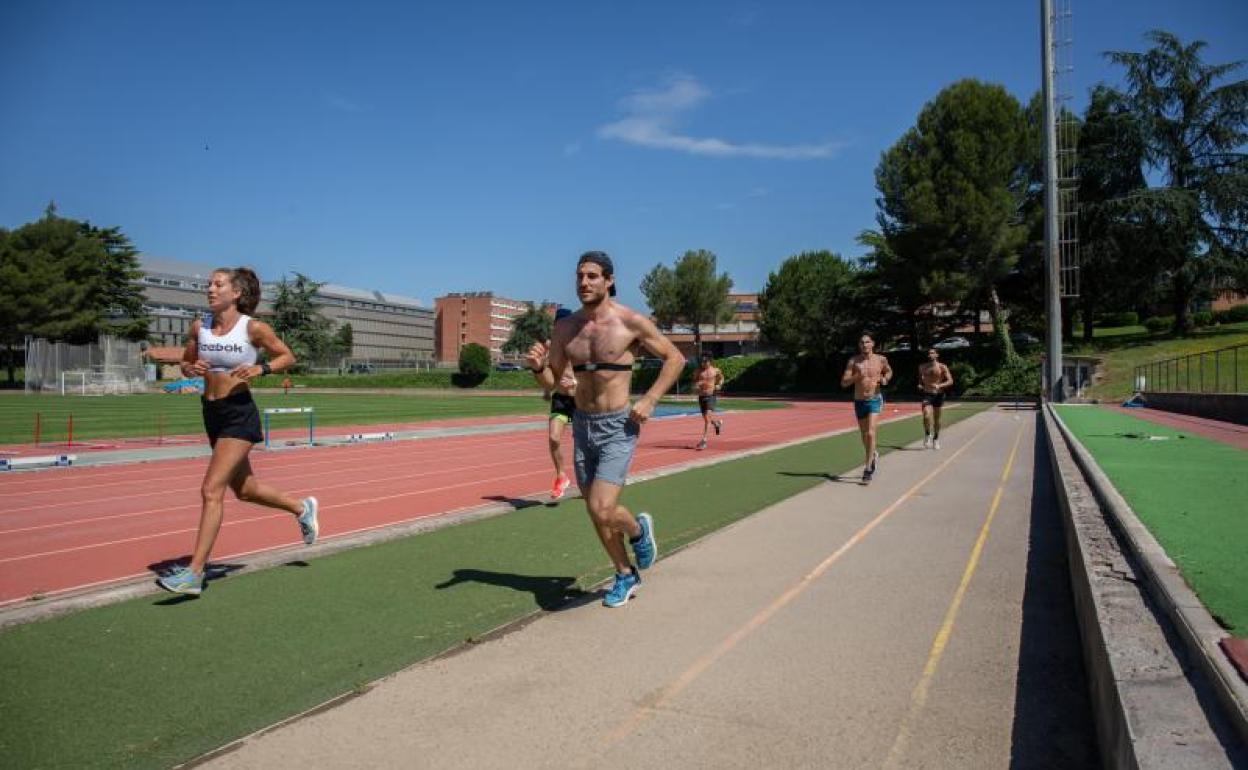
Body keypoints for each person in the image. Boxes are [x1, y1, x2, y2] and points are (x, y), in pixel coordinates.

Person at [526, 251, 684, 608]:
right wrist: (538, 368)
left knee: (601, 507)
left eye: (592, 276)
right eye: (579, 276)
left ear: (609, 280)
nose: (584, 282)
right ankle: (625, 573)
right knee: (594, 511)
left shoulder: (629, 322)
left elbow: (675, 358)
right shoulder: (565, 328)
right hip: (582, 425)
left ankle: (639, 531)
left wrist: (651, 399)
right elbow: (552, 382)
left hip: (618, 426)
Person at [157, 267, 319, 596]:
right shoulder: (198, 327)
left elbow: (288, 355)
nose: (210, 289)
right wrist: (190, 367)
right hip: (211, 412)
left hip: (239, 414)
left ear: (236, 293)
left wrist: (262, 367)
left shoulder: (253, 328)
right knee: (245, 490)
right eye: (209, 284)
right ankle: (302, 508)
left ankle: (195, 573)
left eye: (218, 284)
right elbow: (188, 362)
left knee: (211, 490)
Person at [840, 332, 892, 484]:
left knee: (870, 433)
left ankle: (868, 468)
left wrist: (885, 379)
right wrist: (856, 376)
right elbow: (844, 382)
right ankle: (873, 454)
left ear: (873, 344)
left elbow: (889, 371)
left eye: (867, 342)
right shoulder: (853, 361)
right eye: (862, 343)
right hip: (859, 401)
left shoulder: (881, 359)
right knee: (864, 435)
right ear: (859, 345)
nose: (864, 345)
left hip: (875, 399)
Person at [545, 307, 577, 499]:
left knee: (586, 444)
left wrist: (575, 382)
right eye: (558, 325)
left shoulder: (580, 345)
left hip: (579, 398)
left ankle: (592, 477)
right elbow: (550, 373)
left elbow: (591, 374)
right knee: (554, 438)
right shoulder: (551, 346)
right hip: (560, 398)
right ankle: (561, 476)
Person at [918, 347, 954, 449]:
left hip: (939, 394)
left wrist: (940, 386)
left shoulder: (942, 367)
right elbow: (920, 380)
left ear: (937, 355)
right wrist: (920, 385)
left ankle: (936, 438)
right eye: (929, 353)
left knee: (937, 419)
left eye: (932, 353)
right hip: (927, 394)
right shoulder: (922, 367)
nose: (930, 355)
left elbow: (950, 381)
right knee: (926, 415)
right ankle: (927, 434)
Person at [693, 354, 724, 450]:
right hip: (702, 396)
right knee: (707, 419)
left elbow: (722, 378)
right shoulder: (698, 371)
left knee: (707, 419)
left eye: (705, 362)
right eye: (702, 362)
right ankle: (717, 424)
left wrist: (719, 384)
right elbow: (694, 382)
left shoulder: (715, 370)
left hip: (711, 396)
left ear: (710, 361)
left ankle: (704, 441)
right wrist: (697, 385)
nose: (703, 364)